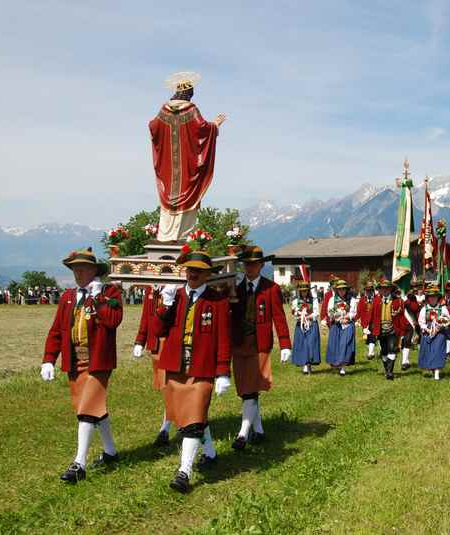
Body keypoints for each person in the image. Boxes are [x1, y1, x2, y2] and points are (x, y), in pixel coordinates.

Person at [41, 248, 123, 484]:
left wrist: (98, 299)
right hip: (75, 362)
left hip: (98, 361)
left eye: (83, 269)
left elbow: (113, 321)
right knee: (92, 409)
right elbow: (57, 330)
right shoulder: (68, 297)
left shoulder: (110, 292)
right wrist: (49, 358)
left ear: (94, 271)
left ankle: (79, 463)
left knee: (87, 411)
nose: (78, 273)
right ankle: (110, 452)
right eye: (75, 269)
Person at [153, 250, 232, 493]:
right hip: (176, 365)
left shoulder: (217, 301)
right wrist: (163, 308)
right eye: (190, 269)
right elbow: (158, 330)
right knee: (190, 416)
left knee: (193, 419)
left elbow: (223, 339)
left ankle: (184, 471)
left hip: (202, 366)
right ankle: (210, 453)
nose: (193, 274)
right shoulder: (174, 297)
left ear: (207, 274)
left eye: (198, 270)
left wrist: (222, 372)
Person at [149, 72, 227, 242]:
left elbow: (153, 126)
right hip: (187, 168)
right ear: (189, 94)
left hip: (168, 168)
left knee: (169, 196)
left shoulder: (164, 110)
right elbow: (203, 129)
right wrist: (215, 125)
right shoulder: (191, 109)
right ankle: (182, 236)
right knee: (188, 195)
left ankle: (165, 235)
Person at [230, 246, 291, 451]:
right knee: (245, 389)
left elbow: (279, 317)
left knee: (252, 388)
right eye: (246, 264)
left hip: (260, 345)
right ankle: (259, 430)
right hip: (239, 345)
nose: (249, 268)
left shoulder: (271, 289)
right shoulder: (237, 290)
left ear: (261, 265)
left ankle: (242, 434)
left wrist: (285, 344)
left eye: (253, 264)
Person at [133, 285, 173, 446]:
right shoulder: (151, 288)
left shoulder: (176, 286)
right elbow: (146, 316)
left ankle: (165, 428)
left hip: (170, 343)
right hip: (155, 345)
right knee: (166, 388)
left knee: (171, 387)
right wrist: (140, 341)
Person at [369, 278, 406, 380]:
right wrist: (368, 327)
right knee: (384, 351)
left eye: (387, 288)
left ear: (390, 289)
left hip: (393, 330)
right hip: (380, 330)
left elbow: (402, 316)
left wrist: (403, 331)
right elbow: (371, 315)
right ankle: (387, 369)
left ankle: (390, 372)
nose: (385, 290)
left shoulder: (397, 301)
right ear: (380, 290)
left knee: (392, 349)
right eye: (382, 289)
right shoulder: (376, 300)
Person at [323, 279, 357, 376]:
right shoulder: (332, 300)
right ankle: (336, 362)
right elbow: (330, 312)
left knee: (344, 345)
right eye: (339, 289)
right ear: (337, 290)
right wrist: (337, 317)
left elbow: (354, 313)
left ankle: (343, 367)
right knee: (336, 345)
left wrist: (347, 317)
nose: (342, 291)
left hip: (347, 325)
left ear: (346, 290)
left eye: (343, 289)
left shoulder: (352, 300)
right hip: (336, 325)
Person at [418, 284, 450, 380]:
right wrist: (428, 330)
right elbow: (421, 322)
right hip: (428, 333)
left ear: (438, 298)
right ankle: (432, 369)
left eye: (434, 297)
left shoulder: (443, 309)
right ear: (427, 298)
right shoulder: (424, 309)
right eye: (430, 297)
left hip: (440, 333)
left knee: (438, 351)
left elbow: (449, 320)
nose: (432, 299)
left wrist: (439, 327)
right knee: (429, 352)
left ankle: (437, 373)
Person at [290, 281, 321, 374]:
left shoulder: (314, 300)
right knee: (303, 344)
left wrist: (308, 317)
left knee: (311, 344)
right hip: (301, 326)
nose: (304, 292)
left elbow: (316, 313)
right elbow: (294, 314)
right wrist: (299, 315)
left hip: (312, 324)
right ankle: (304, 365)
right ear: (299, 291)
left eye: (305, 291)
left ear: (308, 291)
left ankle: (309, 364)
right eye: (302, 291)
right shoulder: (296, 301)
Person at [356, 280, 377, 359]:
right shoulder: (362, 300)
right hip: (365, 322)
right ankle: (371, 351)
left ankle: (370, 353)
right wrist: (355, 320)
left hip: (374, 322)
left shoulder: (376, 299)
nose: (369, 292)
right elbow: (358, 311)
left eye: (370, 290)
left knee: (372, 336)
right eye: (367, 290)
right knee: (367, 337)